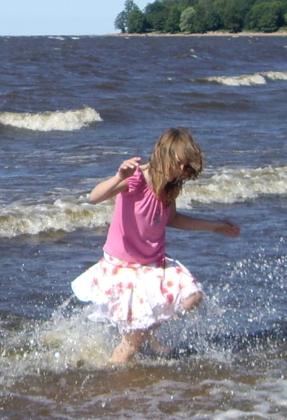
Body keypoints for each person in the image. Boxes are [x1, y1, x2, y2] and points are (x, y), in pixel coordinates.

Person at [73, 127, 240, 363]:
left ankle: (147, 328)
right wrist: (119, 176)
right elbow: (94, 197)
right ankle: (107, 382)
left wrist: (214, 226)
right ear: (164, 153)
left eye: (186, 166)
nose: (181, 170)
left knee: (193, 297)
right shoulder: (136, 179)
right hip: (124, 268)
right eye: (179, 163)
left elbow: (172, 219)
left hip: (152, 264)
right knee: (131, 345)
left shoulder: (170, 186)